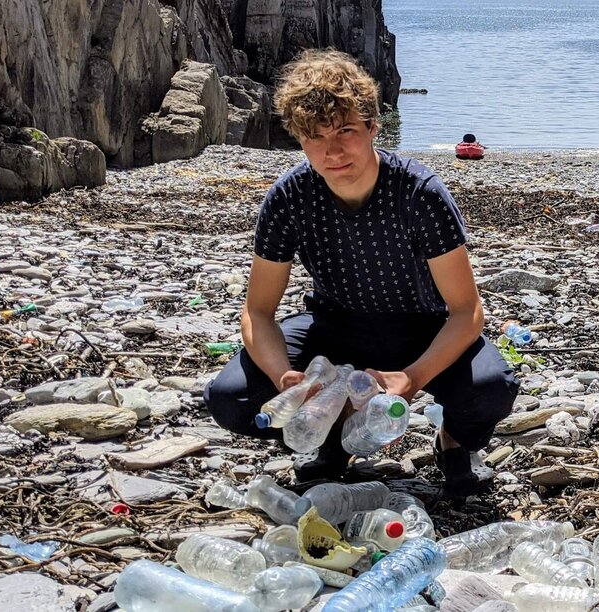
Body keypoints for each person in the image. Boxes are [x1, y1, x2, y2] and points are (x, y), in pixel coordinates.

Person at [204, 49, 519, 496]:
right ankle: (330, 439)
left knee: (491, 387)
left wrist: (412, 378)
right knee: (230, 397)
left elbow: (466, 311)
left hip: (423, 327)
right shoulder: (289, 198)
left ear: (373, 126)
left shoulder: (419, 193)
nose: (332, 150)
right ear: (299, 139)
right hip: (333, 326)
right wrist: (284, 380)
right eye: (315, 136)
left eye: (346, 130)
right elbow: (258, 311)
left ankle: (455, 440)